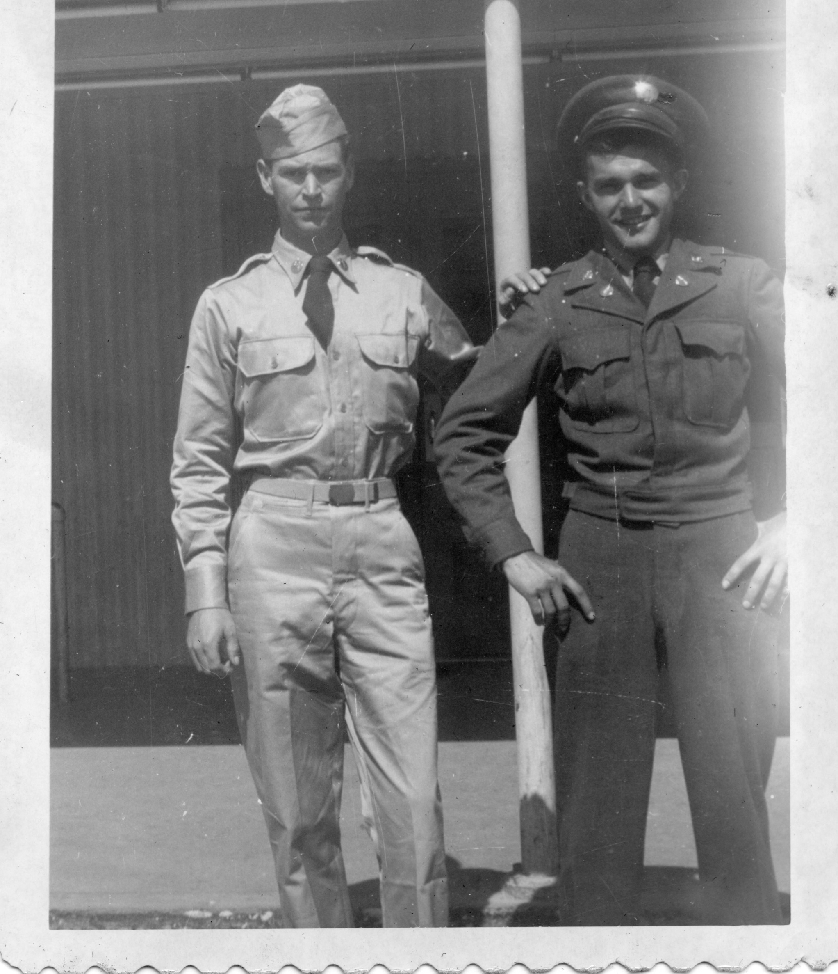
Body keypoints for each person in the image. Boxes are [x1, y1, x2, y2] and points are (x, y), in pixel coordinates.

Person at [433, 74, 787, 926]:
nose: (630, 202)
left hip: (725, 562)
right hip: (602, 566)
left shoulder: (741, 285)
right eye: (609, 187)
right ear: (587, 196)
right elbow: (463, 432)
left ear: (679, 184)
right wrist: (514, 552)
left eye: (646, 181)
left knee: (735, 801)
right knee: (595, 814)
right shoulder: (558, 301)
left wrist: (803, 522)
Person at [170, 84, 482, 928]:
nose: (311, 189)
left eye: (327, 172)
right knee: (300, 806)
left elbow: (482, 380)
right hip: (271, 546)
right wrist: (206, 596)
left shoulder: (403, 292)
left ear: (350, 177)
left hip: (381, 537)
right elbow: (198, 462)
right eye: (293, 173)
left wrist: (531, 304)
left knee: (414, 799)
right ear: (265, 178)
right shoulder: (226, 307)